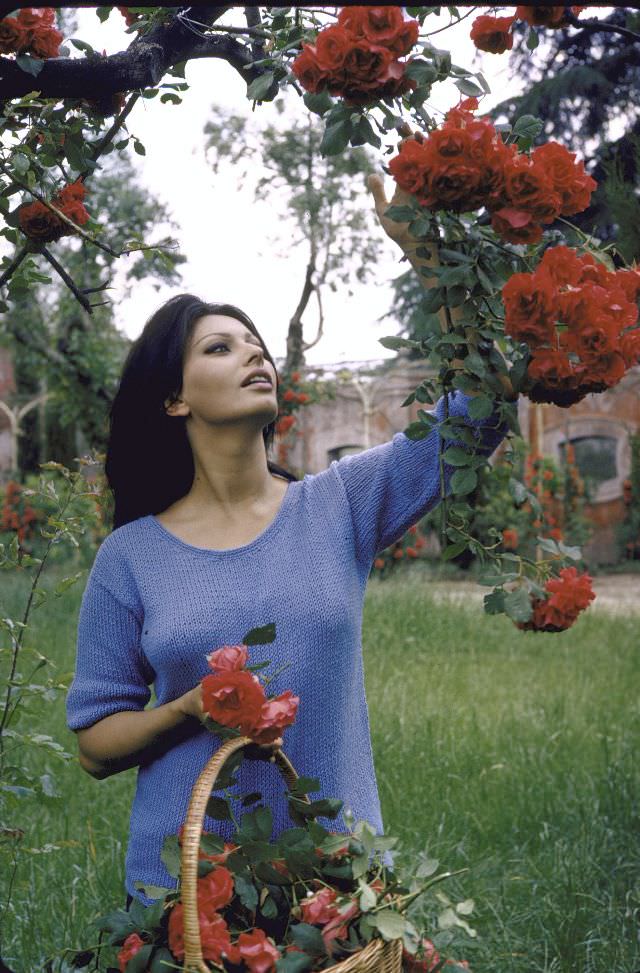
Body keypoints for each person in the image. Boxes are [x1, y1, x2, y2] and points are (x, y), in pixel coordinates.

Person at [66, 169, 516, 907]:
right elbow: (93, 745)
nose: (255, 355)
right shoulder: (131, 557)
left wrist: (426, 255)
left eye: (256, 344)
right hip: (188, 902)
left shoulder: (339, 503)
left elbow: (486, 405)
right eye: (220, 348)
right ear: (173, 398)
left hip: (337, 894)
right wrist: (186, 711)